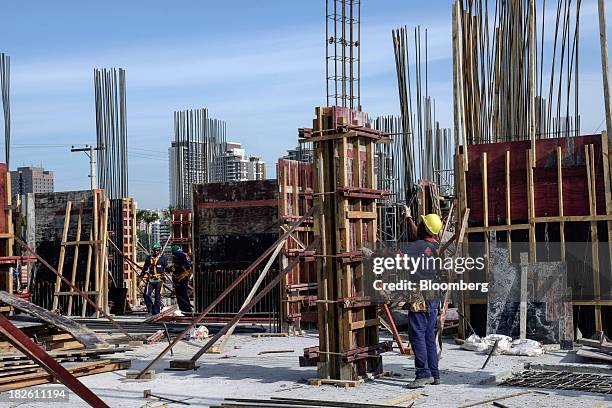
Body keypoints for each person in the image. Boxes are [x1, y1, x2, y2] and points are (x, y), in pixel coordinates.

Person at [403, 205, 443, 388]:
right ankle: (434, 374)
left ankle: (422, 374)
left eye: (421, 222)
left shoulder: (417, 247)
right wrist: (408, 217)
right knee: (428, 334)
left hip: (419, 295)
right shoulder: (435, 246)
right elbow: (419, 239)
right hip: (434, 294)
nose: (418, 224)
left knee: (417, 334)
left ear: (424, 228)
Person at [141, 242, 167, 315]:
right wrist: (141, 276)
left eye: (158, 250)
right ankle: (150, 309)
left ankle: (156, 312)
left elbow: (167, 268)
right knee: (146, 294)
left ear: (160, 251)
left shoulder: (163, 259)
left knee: (157, 297)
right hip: (151, 280)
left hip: (159, 280)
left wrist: (172, 269)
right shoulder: (149, 259)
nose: (156, 252)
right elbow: (145, 268)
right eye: (155, 250)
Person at [169, 244, 193, 313]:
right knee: (180, 292)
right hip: (181, 277)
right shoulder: (183, 254)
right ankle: (183, 308)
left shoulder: (180, 254)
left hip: (182, 277)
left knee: (182, 293)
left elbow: (186, 266)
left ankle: (186, 308)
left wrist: (176, 268)